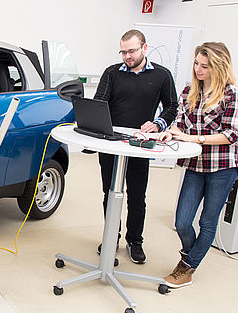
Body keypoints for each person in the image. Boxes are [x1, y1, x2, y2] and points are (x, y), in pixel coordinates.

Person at [94, 29, 178, 264]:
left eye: (131, 51)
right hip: (111, 144)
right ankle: (111, 237)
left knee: (137, 196)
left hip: (140, 145)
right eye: (123, 51)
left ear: (144, 48)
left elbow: (172, 106)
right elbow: (99, 103)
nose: (127, 56)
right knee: (109, 194)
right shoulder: (111, 73)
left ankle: (135, 240)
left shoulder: (162, 75)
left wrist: (158, 123)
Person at [158, 42, 238, 288]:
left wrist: (194, 138)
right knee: (182, 221)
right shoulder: (189, 91)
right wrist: (171, 132)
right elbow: (180, 123)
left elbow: (231, 134)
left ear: (218, 67)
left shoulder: (230, 94)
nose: (198, 69)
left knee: (207, 222)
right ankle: (190, 257)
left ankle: (188, 267)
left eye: (205, 66)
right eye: (196, 64)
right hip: (195, 164)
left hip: (223, 166)